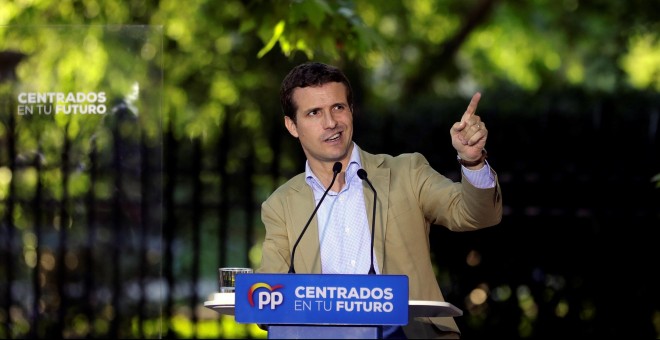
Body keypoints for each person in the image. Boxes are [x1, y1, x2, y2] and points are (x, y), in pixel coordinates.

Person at [257, 61, 502, 339]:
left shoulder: (406, 172)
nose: (331, 123)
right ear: (292, 125)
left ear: (351, 111)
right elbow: (268, 299)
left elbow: (477, 214)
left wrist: (472, 162)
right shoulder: (280, 205)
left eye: (338, 107)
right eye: (314, 113)